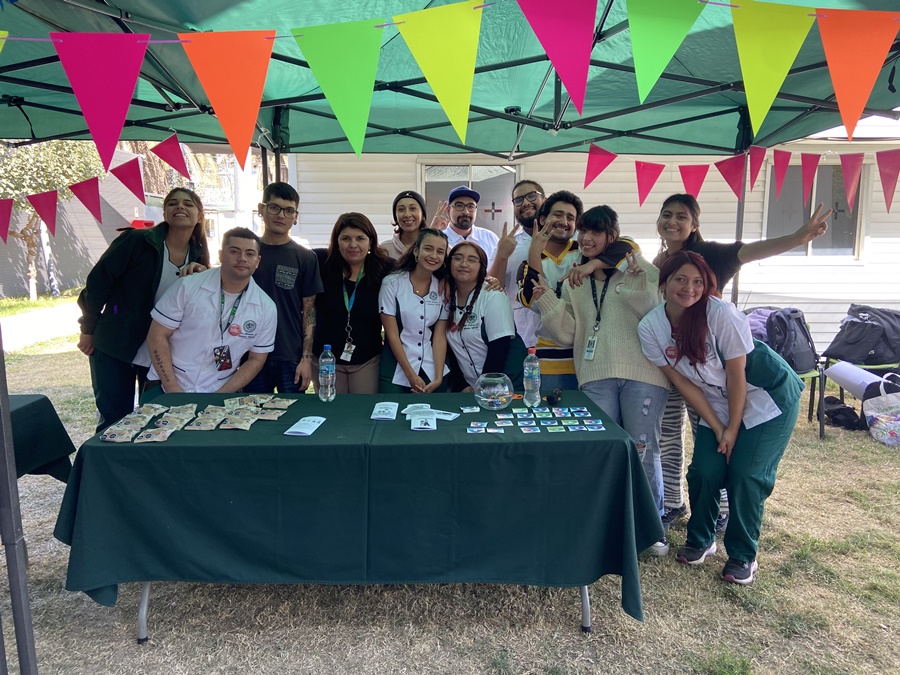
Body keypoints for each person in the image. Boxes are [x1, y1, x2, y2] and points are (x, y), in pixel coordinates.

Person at [652, 194, 832, 530]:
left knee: (707, 435)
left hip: (709, 368)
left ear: (695, 224)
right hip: (673, 361)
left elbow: (750, 251)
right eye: (666, 214)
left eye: (681, 216)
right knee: (669, 432)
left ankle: (720, 509)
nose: (672, 221)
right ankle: (673, 502)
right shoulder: (661, 259)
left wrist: (797, 238)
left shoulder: (710, 254)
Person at [638, 251, 803, 585]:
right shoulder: (651, 327)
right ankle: (701, 539)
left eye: (698, 281)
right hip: (714, 400)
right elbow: (682, 381)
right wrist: (718, 427)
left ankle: (743, 555)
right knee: (704, 471)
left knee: (746, 473)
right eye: (680, 279)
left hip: (766, 394)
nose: (689, 288)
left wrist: (732, 430)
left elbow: (737, 376)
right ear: (664, 281)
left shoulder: (721, 315)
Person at [532, 205, 670, 555]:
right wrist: (547, 298)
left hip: (643, 375)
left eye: (596, 232)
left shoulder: (639, 268)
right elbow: (567, 334)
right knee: (603, 449)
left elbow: (655, 314)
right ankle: (606, 520)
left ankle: (651, 527)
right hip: (595, 375)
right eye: (584, 232)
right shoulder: (576, 282)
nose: (587, 238)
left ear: (612, 236)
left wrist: (631, 281)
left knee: (643, 448)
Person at [77, 187, 211, 432]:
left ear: (199, 215)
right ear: (165, 212)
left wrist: (203, 276)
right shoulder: (137, 241)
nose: (180, 207)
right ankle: (107, 468)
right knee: (115, 419)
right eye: (173, 203)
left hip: (159, 351)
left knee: (155, 417)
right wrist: (88, 328)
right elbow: (97, 284)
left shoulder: (199, 256)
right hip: (116, 345)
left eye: (188, 204)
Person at [145, 227, 277, 395]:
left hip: (220, 390)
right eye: (234, 251)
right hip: (166, 385)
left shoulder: (266, 307)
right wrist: (173, 389)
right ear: (221, 254)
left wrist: (218, 397)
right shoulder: (187, 287)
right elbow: (157, 335)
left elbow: (257, 359)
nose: (242, 258)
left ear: (257, 261)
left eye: (249, 254)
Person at [244, 182, 322, 394]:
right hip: (248, 353)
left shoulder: (305, 257)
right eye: (274, 207)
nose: (281, 215)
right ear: (262, 209)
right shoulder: (246, 254)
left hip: (289, 354)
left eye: (289, 211)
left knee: (293, 419)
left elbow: (309, 311)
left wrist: (306, 359)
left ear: (295, 216)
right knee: (252, 418)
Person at [314, 213, 394, 394]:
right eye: (346, 238)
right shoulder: (320, 263)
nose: (353, 245)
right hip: (326, 358)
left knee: (362, 412)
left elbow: (420, 270)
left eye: (360, 238)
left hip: (367, 359)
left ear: (371, 241)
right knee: (331, 411)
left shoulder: (386, 268)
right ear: (336, 241)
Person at [516, 190, 583, 391]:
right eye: (558, 215)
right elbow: (534, 303)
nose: (564, 221)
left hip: (586, 358)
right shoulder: (529, 262)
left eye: (571, 218)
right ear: (543, 218)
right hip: (549, 360)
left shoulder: (585, 253)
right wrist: (535, 252)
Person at [445, 241, 525, 391]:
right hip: (471, 389)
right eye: (458, 258)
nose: (464, 264)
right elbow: (450, 350)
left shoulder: (492, 295)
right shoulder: (446, 297)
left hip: (506, 387)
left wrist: (484, 388)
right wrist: (462, 385)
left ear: (481, 267)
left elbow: (499, 348)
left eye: (472, 260)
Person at [378, 228, 450, 393]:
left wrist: (438, 377)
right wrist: (410, 375)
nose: (433, 256)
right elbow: (392, 335)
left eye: (440, 252)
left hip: (434, 368)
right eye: (428, 249)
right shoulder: (391, 283)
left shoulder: (443, 289)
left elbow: (439, 337)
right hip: (396, 369)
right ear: (416, 251)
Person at [488, 179, 545, 348]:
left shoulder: (564, 237)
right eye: (518, 200)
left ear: (545, 200)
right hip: (522, 336)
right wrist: (502, 256)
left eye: (532, 196)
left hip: (562, 338)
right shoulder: (508, 243)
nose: (526, 203)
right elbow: (491, 288)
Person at [432, 185, 499, 266]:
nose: (466, 212)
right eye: (459, 206)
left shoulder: (490, 238)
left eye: (471, 206)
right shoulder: (438, 239)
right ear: (448, 211)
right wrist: (429, 232)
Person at [382, 190, 427, 261]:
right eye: (401, 209)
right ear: (395, 216)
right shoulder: (384, 249)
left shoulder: (435, 248)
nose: (407, 215)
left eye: (413, 208)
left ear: (423, 214)